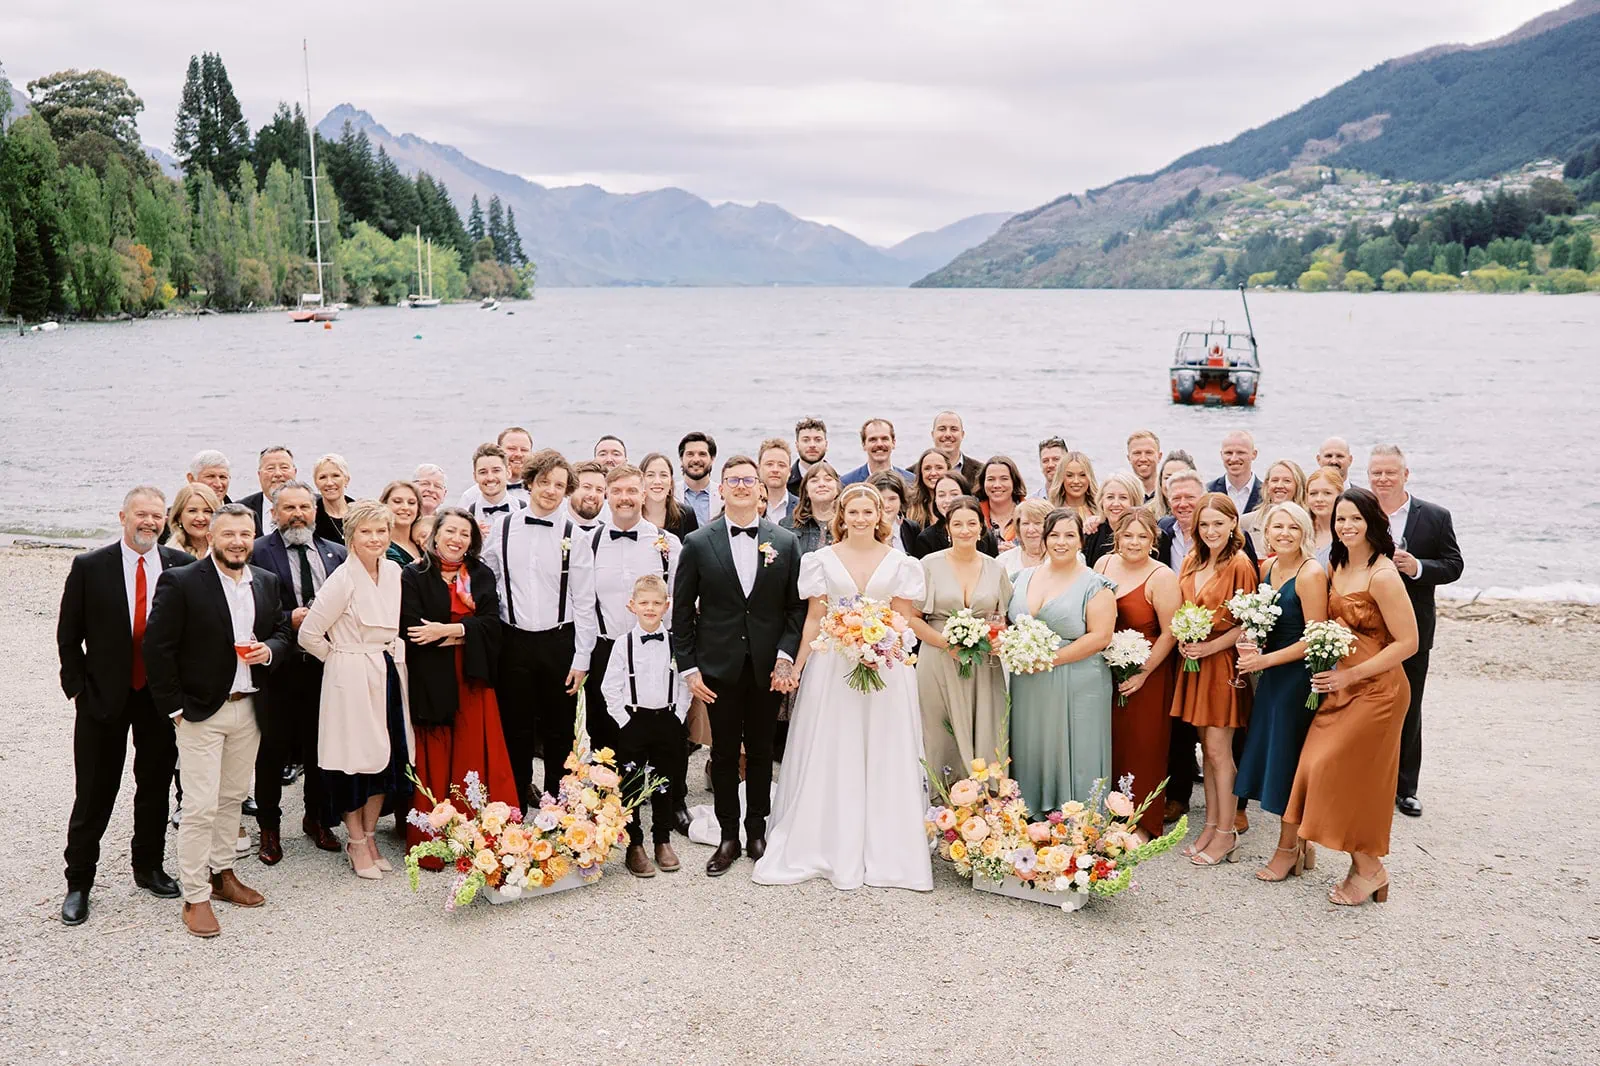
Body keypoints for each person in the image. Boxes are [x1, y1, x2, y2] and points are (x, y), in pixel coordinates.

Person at [753, 483, 931, 892]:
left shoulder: (902, 563)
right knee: (835, 747)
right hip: (833, 667)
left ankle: (889, 848)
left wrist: (882, 646)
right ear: (842, 517)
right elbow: (815, 618)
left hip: (885, 668)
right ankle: (827, 840)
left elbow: (904, 620)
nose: (862, 518)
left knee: (884, 751)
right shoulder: (820, 560)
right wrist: (796, 666)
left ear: (879, 516)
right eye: (854, 512)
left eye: (869, 512)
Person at [143, 503, 290, 936]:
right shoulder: (183, 580)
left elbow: (281, 630)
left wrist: (270, 651)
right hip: (200, 712)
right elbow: (157, 647)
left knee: (231, 797)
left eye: (245, 534)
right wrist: (175, 709)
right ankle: (195, 894)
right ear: (212, 537)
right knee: (200, 805)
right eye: (229, 535)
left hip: (250, 706)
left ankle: (222, 874)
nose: (238, 542)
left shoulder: (266, 581)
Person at [56, 486, 196, 927]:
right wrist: (77, 687)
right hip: (103, 697)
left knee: (153, 786)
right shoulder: (90, 566)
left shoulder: (182, 566)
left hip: (158, 699)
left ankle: (148, 866)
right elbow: (68, 634)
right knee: (95, 791)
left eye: (157, 516)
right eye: (141, 515)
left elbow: (190, 636)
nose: (149, 523)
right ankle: (79, 881)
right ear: (123, 516)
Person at [1283, 487, 1419, 906]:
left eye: (1355, 519)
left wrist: (1353, 674)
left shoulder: (1382, 574)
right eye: (1341, 519)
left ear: (1372, 522)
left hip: (1378, 691)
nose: (1346, 526)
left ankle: (1369, 868)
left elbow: (1409, 642)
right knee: (1315, 766)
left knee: (1350, 778)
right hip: (1339, 687)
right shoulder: (1336, 564)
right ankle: (1361, 864)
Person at [673, 455, 805, 877]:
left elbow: (795, 611)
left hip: (768, 668)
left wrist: (786, 657)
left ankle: (757, 831)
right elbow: (680, 614)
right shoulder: (697, 542)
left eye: (750, 480)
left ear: (761, 490)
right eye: (734, 480)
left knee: (764, 752)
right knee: (725, 752)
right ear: (723, 488)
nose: (743, 486)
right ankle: (728, 835)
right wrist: (689, 669)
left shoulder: (785, 542)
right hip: (718, 668)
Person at [297, 499, 414, 881]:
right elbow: (309, 633)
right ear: (351, 537)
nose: (376, 538)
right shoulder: (341, 579)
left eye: (381, 531)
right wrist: (339, 659)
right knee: (354, 760)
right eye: (366, 532)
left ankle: (370, 835)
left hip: (386, 669)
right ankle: (355, 839)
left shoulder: (395, 571)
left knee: (384, 755)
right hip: (350, 673)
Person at [480, 449, 598, 808]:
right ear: (529, 481)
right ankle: (513, 804)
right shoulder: (502, 528)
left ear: (567, 491)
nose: (550, 490)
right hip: (513, 641)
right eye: (544, 482)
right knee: (515, 729)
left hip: (558, 642)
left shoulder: (574, 535)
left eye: (559, 485)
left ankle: (556, 809)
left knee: (559, 732)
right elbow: (489, 579)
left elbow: (584, 601)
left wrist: (582, 659)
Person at [400, 507, 516, 865]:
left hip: (473, 677)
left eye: (464, 534)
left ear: (472, 541)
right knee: (436, 748)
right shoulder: (414, 575)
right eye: (450, 531)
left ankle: (478, 831)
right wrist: (466, 631)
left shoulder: (480, 574)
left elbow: (493, 625)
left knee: (474, 746)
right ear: (434, 534)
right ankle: (435, 834)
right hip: (432, 677)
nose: (456, 539)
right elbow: (413, 630)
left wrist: (446, 630)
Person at [248, 481, 348, 862]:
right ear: (274, 514)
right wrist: (286, 619)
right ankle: (269, 829)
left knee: (320, 748)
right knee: (272, 750)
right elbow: (247, 609)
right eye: (288, 508)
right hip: (279, 668)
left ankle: (317, 818)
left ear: (316, 511)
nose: (298, 515)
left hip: (325, 667)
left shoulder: (335, 553)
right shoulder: (258, 552)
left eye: (305, 507)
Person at [1233, 501, 1327, 881]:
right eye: (1277, 527)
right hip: (1271, 675)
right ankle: (1301, 843)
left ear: (1304, 531)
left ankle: (1287, 849)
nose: (1284, 533)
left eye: (1292, 527)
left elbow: (1314, 637)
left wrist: (1264, 662)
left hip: (1297, 680)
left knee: (1288, 762)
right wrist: (1250, 640)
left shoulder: (1310, 573)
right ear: (1266, 532)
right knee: (1274, 756)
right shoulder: (1268, 567)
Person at [1367, 444, 1462, 818]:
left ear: (1406, 474)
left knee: (1409, 703)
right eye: (1377, 473)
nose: (1384, 479)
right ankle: (1369, 779)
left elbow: (1454, 565)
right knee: (1366, 703)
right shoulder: (1359, 511)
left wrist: (1418, 567)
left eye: (1390, 472)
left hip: (1414, 626)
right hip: (1367, 623)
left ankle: (1405, 787)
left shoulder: (1435, 516)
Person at [1170, 492, 1258, 867]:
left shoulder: (1239, 564)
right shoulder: (1191, 560)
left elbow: (1248, 622)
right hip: (1193, 663)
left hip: (1220, 664)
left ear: (1233, 524)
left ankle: (1227, 832)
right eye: (1204, 524)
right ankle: (1209, 825)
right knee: (1206, 750)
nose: (1210, 531)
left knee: (1221, 752)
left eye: (1218, 524)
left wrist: (1208, 648)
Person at [1007, 509, 1116, 813]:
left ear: (1081, 540)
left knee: (1078, 750)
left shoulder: (1095, 584)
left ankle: (1079, 820)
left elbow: (1100, 636)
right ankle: (1031, 814)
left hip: (1078, 680)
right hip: (1028, 681)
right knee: (1032, 746)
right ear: (1044, 538)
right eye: (1054, 535)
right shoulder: (1021, 578)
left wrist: (1048, 659)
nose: (1061, 542)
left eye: (1069, 535)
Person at [585, 464, 680, 807]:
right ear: (607, 495)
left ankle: (667, 805)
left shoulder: (667, 544)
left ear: (644, 494)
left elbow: (680, 601)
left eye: (631, 491)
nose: (625, 498)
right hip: (606, 646)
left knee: (660, 730)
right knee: (605, 729)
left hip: (654, 650)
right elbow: (581, 603)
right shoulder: (589, 541)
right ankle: (606, 804)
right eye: (617, 491)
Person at [910, 495, 1012, 789]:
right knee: (940, 730)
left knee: (987, 725)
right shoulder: (928, 564)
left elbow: (1000, 618)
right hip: (938, 659)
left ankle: (985, 797)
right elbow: (914, 617)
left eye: (972, 523)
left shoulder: (996, 568)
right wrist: (947, 643)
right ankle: (941, 798)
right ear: (947, 528)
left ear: (981, 528)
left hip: (983, 663)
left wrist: (996, 640)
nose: (965, 530)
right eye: (958, 524)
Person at [1094, 508, 1180, 840]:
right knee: (1110, 743)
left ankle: (1142, 822)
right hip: (1106, 671)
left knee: (1144, 747)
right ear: (1117, 537)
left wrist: (1142, 674)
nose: (1134, 542)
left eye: (1142, 536)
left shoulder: (1161, 577)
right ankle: (1108, 815)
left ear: (1153, 540)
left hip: (1148, 675)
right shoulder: (1102, 565)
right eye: (1128, 535)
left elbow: (1170, 632)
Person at [602, 573, 690, 878]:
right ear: (632, 605)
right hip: (634, 722)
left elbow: (685, 682)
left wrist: (678, 715)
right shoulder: (622, 644)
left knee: (665, 783)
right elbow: (609, 686)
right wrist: (624, 720)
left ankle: (662, 840)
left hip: (666, 720)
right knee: (631, 784)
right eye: (644, 603)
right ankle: (634, 844)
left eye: (656, 603)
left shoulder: (677, 643)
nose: (650, 608)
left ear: (667, 606)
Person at [913, 472, 998, 559]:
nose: (948, 500)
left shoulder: (985, 534)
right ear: (935, 500)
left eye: (954, 494)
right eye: (941, 495)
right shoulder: (926, 539)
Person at [1241, 459, 1307, 558]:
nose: (1279, 485)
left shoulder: (1310, 522)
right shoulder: (1245, 522)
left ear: (1298, 486)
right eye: (1275, 480)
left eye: (1287, 481)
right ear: (1267, 486)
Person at [460, 427, 532, 511]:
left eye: (524, 450)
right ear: (499, 450)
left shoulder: (538, 493)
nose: (518, 454)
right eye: (512, 449)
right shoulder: (471, 496)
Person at [1083, 471, 1145, 567]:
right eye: (1110, 497)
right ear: (1101, 501)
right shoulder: (1092, 533)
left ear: (1135, 501)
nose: (1116, 503)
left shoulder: (1149, 534)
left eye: (1123, 497)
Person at [782, 461, 841, 556]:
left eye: (828, 479)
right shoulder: (787, 525)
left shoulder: (847, 525)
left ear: (838, 488)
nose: (822, 484)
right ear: (806, 490)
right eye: (814, 481)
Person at [464, 443, 525, 532]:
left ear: (508, 472)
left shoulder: (524, 510)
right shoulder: (466, 516)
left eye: (496, 470)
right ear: (475, 476)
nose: (490, 478)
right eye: (483, 472)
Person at [641, 451, 700, 541]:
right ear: (641, 481)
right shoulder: (631, 515)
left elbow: (694, 552)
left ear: (671, 482)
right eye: (650, 475)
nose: (657, 481)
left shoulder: (686, 515)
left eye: (663, 475)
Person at [238, 446, 297, 536]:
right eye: (270, 468)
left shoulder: (316, 505)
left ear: (295, 472)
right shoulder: (241, 509)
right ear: (259, 474)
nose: (278, 473)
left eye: (284, 467)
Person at [840, 417, 912, 486]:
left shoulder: (910, 481)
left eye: (884, 439)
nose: (879, 444)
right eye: (873, 439)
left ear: (893, 443)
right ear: (864, 445)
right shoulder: (847, 483)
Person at [1208, 430, 1263, 516]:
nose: (1234, 458)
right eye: (1228, 453)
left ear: (1254, 454)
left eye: (1240, 452)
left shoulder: (1266, 494)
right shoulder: (1208, 492)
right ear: (1221, 455)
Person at [978, 455, 1026, 551]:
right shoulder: (974, 514)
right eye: (991, 479)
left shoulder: (1032, 513)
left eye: (1004, 479)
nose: (997, 485)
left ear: (1014, 482)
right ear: (983, 483)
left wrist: (1017, 554)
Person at [870, 470, 920, 555]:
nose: (886, 505)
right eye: (881, 499)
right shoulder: (865, 529)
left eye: (892, 499)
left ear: (901, 499)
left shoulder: (911, 528)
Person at [996, 498, 1050, 577]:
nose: (1031, 529)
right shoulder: (1003, 561)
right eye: (1025, 523)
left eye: (1037, 523)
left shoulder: (1066, 558)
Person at [1047, 450, 1099, 530]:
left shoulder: (1102, 513)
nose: (1076, 481)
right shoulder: (1049, 512)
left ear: (1089, 478)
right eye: (1069, 475)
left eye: (1082, 475)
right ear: (1061, 479)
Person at [930, 410, 983, 488]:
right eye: (942, 429)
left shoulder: (980, 472)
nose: (948, 434)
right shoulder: (912, 474)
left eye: (954, 429)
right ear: (933, 434)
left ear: (962, 434)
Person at [166, 482, 220, 558]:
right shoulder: (167, 556)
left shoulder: (228, 550)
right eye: (192, 511)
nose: (200, 518)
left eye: (207, 511)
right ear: (178, 517)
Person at [1306, 465, 1344, 566]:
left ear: (1340, 495)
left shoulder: (1347, 534)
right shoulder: (1303, 533)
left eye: (1327, 493)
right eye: (1313, 493)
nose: (1319, 499)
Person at [678, 431, 719, 524]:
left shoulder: (724, 496)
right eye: (690, 454)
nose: (696, 460)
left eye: (702, 454)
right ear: (681, 458)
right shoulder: (670, 494)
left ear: (712, 458)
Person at [379, 480, 424, 565]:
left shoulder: (423, 543)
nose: (405, 507)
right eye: (397, 501)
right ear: (384, 504)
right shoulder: (381, 547)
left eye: (411, 503)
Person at [311, 454, 353, 544]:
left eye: (335, 476)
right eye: (322, 477)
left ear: (346, 479)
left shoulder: (361, 514)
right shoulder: (311, 518)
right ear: (316, 483)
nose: (329, 483)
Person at [905, 448, 950, 528]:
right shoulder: (909, 506)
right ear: (921, 473)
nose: (933, 473)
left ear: (949, 470)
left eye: (939, 468)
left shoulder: (960, 503)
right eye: (927, 468)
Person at [758, 438, 798, 526]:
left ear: (789, 471)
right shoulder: (747, 506)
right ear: (759, 468)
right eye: (769, 464)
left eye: (781, 465)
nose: (775, 470)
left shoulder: (802, 508)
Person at [787, 417, 829, 496]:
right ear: (797, 445)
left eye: (818, 440)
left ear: (826, 445)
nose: (812, 445)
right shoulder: (784, 483)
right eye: (806, 440)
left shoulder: (839, 483)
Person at [1153, 450, 1198, 519]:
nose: (1172, 483)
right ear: (1160, 481)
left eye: (1181, 477)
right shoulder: (1147, 513)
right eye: (1167, 477)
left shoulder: (1206, 513)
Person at [569, 459, 609, 531]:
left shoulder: (607, 533)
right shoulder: (554, 528)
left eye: (599, 490)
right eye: (587, 487)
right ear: (571, 489)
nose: (593, 495)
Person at [1127, 430, 1163, 505]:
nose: (1143, 459)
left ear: (1159, 457)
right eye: (1137, 453)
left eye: (1149, 453)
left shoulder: (1168, 492)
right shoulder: (1124, 494)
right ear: (1129, 458)